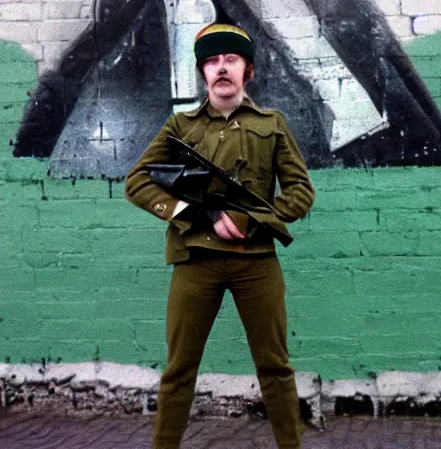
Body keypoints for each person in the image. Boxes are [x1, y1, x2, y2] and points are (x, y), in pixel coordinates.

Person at [125, 23, 315, 449]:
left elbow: (301, 192)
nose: (221, 68)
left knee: (275, 366)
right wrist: (194, 212)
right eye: (212, 62)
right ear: (203, 73)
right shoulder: (181, 126)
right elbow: (137, 181)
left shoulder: (273, 124)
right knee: (179, 369)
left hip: (257, 262)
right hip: (196, 261)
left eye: (230, 59)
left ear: (247, 70)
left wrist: (255, 219)